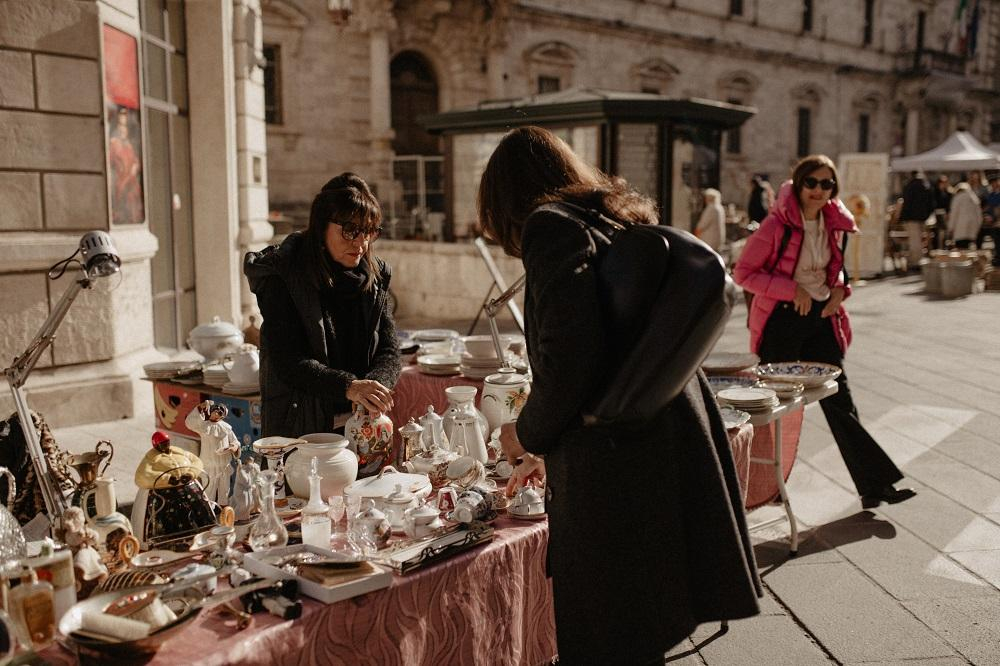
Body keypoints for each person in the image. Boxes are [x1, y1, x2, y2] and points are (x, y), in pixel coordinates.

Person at [480, 126, 761, 665]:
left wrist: (529, 433)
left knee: (608, 634)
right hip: (659, 437)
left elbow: (572, 356)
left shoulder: (549, 226)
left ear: (503, 198)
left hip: (615, 466)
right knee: (638, 627)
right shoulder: (606, 218)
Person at [734, 154, 915, 509]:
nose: (819, 190)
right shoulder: (776, 225)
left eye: (827, 184)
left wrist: (839, 291)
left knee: (839, 396)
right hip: (783, 320)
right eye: (812, 183)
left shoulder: (835, 223)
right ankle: (758, 488)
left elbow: (837, 270)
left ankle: (874, 484)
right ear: (799, 184)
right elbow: (743, 273)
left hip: (821, 318)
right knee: (775, 405)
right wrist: (792, 290)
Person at [244, 173, 400, 437]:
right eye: (350, 230)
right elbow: (289, 360)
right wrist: (350, 386)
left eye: (369, 231)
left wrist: (374, 389)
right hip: (300, 424)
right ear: (320, 227)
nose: (360, 243)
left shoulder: (373, 276)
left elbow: (390, 348)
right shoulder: (283, 274)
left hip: (361, 424)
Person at [185, 401, 240, 505]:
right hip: (209, 464)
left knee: (224, 489)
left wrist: (234, 447)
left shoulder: (226, 428)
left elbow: (235, 441)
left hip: (224, 464)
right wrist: (200, 407)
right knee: (209, 489)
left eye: (219, 413)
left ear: (223, 415)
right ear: (210, 412)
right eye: (214, 411)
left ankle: (224, 509)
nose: (216, 414)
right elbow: (189, 422)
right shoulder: (203, 426)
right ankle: (209, 509)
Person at [898, 171, 936, 269]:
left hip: (910, 217)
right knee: (918, 240)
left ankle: (916, 262)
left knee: (914, 241)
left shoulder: (909, 186)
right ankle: (916, 260)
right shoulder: (925, 186)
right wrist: (926, 215)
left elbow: (905, 201)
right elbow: (931, 204)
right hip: (921, 217)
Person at [946, 181, 981, 250]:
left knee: (961, 248)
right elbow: (979, 215)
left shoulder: (957, 198)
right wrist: (977, 227)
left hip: (960, 227)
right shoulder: (974, 198)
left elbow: (954, 214)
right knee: (970, 248)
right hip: (972, 228)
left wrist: (950, 228)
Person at [695, 187, 726, 252]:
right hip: (718, 238)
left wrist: (696, 236)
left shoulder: (711, 208)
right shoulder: (719, 208)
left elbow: (702, 225)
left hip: (709, 239)